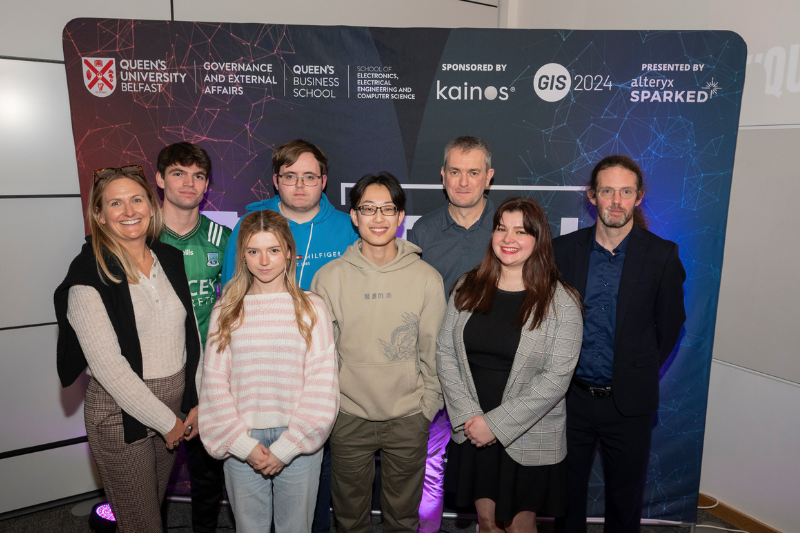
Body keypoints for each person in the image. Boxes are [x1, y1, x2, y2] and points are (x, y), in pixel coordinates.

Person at [54, 165, 201, 533]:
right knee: (142, 524)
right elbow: (108, 366)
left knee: (151, 514)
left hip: (172, 407)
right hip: (120, 415)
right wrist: (167, 423)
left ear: (151, 206)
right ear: (99, 215)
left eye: (137, 200)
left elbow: (189, 335)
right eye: (115, 203)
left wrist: (194, 400)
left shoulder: (169, 258)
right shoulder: (88, 274)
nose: (129, 211)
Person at [221, 139, 357, 532]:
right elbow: (230, 298)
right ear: (276, 180)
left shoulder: (347, 228)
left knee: (311, 501)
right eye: (290, 176)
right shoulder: (250, 226)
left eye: (309, 177)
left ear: (324, 181)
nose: (300, 185)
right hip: (258, 387)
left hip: (323, 382)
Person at [552, 155, 686, 533]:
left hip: (629, 404)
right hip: (570, 400)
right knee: (565, 500)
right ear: (592, 196)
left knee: (625, 506)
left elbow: (670, 326)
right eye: (607, 191)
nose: (616, 201)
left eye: (625, 192)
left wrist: (636, 368)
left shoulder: (661, 255)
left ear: (638, 197)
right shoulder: (562, 250)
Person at [437, 197, 583, 533]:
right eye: (502, 228)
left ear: (538, 239)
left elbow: (556, 379)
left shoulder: (562, 302)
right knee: (488, 524)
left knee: (519, 527)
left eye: (520, 231)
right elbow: (445, 353)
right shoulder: (467, 286)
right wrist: (469, 417)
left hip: (528, 433)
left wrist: (495, 425)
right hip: (472, 427)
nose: (508, 238)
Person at [311, 172, 446, 533]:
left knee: (402, 519)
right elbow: (321, 355)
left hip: (408, 417)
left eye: (387, 209)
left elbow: (434, 351)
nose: (378, 217)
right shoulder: (329, 277)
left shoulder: (426, 278)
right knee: (349, 519)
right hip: (348, 417)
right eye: (368, 208)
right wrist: (331, 409)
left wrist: (426, 409)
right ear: (354, 216)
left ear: (401, 216)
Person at [198, 209, 339, 533]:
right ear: (242, 256)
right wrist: (243, 445)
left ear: (288, 252)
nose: (264, 261)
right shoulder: (225, 310)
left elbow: (322, 384)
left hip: (300, 441)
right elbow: (214, 384)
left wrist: (289, 446)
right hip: (241, 439)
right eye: (254, 251)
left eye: (273, 250)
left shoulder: (312, 307)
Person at [407, 135, 495, 532]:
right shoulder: (423, 230)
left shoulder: (506, 229)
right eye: (455, 172)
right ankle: (427, 528)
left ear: (488, 177)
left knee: (488, 461)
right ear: (442, 175)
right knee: (428, 461)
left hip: (491, 371)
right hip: (435, 368)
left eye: (473, 172)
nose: (463, 182)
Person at [155, 142, 231, 533]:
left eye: (198, 175)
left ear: (207, 184)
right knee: (150, 477)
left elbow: (236, 307)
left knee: (207, 474)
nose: (189, 183)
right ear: (160, 179)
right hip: (154, 374)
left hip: (207, 374)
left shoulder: (224, 237)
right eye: (178, 173)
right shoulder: (140, 235)